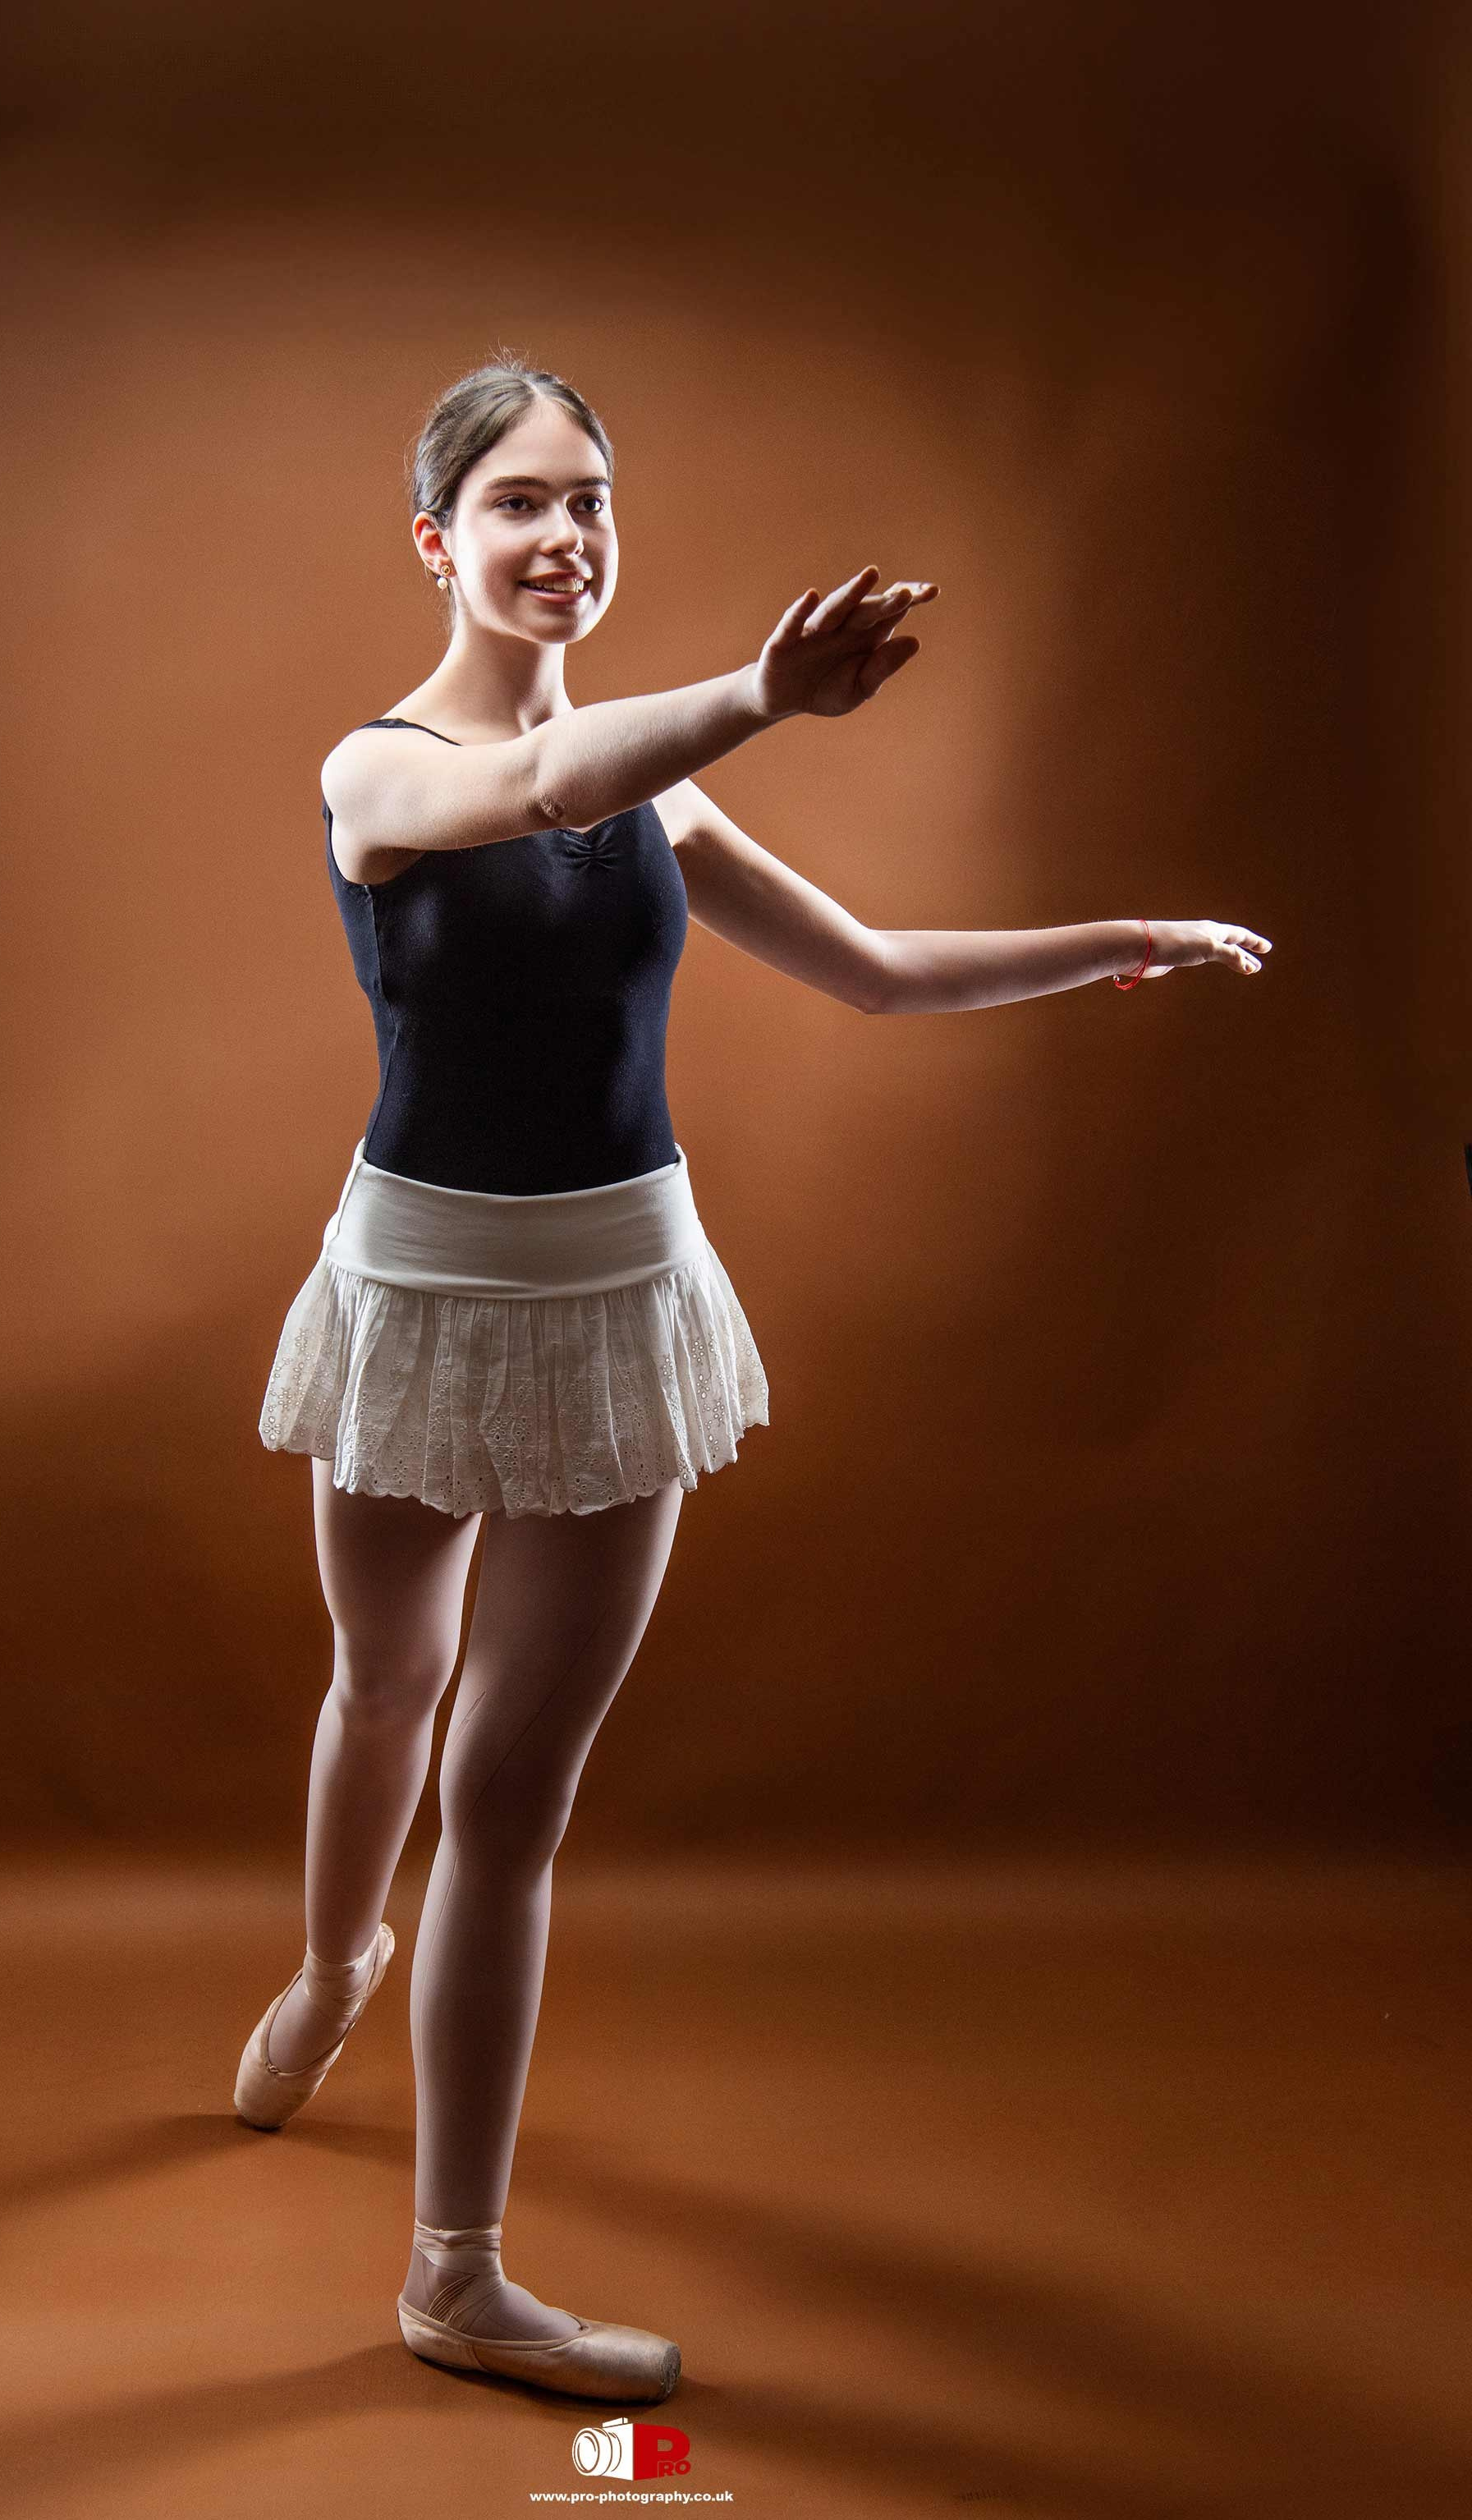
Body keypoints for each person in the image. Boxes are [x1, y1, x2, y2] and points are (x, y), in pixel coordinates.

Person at [236, 356, 1273, 2407]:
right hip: (417, 1290)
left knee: (509, 1803)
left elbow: (874, 968)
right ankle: (335, 1959)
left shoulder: (660, 787)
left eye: (592, 502)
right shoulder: (376, 772)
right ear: (438, 540)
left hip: (624, 1298)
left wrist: (1117, 937)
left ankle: (456, 2271)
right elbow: (531, 791)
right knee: (383, 1680)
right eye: (519, 504)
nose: (564, 538)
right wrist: (758, 694)